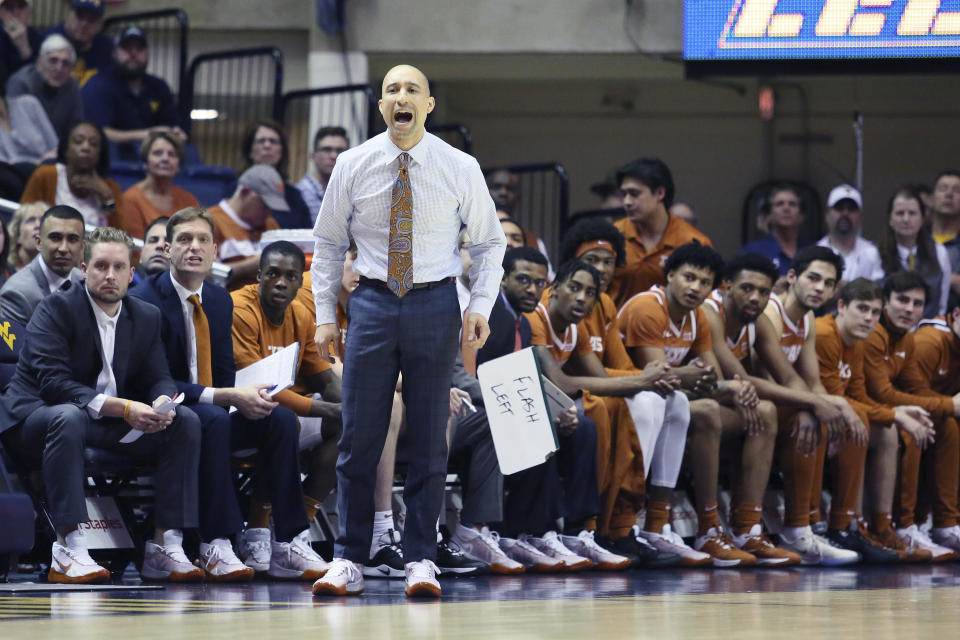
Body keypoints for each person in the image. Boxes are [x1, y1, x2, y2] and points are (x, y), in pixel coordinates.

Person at [311, 64, 506, 598]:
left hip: (436, 301)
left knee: (426, 438)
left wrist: (480, 303)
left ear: (428, 104)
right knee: (358, 437)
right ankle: (348, 558)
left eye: (411, 90)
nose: (402, 97)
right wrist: (326, 313)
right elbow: (328, 244)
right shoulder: (353, 163)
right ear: (381, 107)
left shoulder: (459, 166)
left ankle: (421, 556)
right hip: (371, 300)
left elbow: (490, 244)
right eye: (392, 90)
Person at [129, 207, 327, 581]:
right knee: (217, 417)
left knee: (280, 419)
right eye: (184, 240)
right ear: (168, 249)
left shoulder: (220, 300)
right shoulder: (146, 300)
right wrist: (226, 397)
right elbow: (155, 382)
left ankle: (287, 541)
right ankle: (214, 542)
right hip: (164, 412)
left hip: (213, 405)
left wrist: (245, 397)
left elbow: (223, 374)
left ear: (215, 251)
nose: (194, 247)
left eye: (203, 240)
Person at [0, 226, 203, 584]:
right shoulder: (55, 309)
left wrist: (161, 404)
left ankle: (163, 546)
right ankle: (69, 548)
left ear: (131, 271)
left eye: (119, 267)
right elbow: (55, 385)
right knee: (69, 416)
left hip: (99, 423)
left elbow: (159, 375)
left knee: (184, 420)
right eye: (100, 266)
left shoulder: (145, 316)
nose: (110, 275)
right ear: (84, 269)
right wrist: (124, 408)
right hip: (34, 421)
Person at [456, 247, 626, 573]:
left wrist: (552, 406)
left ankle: (571, 531)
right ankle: (520, 531)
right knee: (536, 422)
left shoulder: (517, 322)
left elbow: (523, 379)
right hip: (468, 409)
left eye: (538, 282)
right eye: (523, 280)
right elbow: (468, 376)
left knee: (579, 424)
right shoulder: (485, 314)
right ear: (502, 279)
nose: (532, 289)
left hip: (495, 405)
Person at [621, 242, 791, 567]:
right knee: (706, 411)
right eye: (689, 278)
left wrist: (729, 388)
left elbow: (709, 377)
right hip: (631, 400)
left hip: (666, 402)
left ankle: (746, 528)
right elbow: (659, 378)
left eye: (703, 283)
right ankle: (705, 528)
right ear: (670, 275)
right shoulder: (647, 307)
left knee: (765, 412)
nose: (695, 287)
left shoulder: (696, 316)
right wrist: (715, 384)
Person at [528, 259, 688, 567]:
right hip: (527, 405)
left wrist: (648, 381)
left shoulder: (576, 328)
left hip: (554, 404)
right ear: (554, 288)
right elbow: (560, 382)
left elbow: (600, 379)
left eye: (590, 293)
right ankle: (587, 525)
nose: (582, 298)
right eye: (574, 288)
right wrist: (641, 380)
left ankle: (609, 523)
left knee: (613, 404)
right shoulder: (537, 318)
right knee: (597, 409)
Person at [753, 245, 863, 565]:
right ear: (792, 276)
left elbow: (812, 380)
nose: (820, 288)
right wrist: (811, 407)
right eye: (813, 278)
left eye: (828, 283)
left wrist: (826, 407)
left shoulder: (808, 319)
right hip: (753, 398)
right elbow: (763, 377)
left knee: (825, 417)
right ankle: (797, 529)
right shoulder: (770, 313)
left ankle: (810, 524)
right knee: (808, 418)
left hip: (781, 397)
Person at [230, 240, 343, 542]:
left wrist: (349, 406)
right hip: (236, 413)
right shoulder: (240, 309)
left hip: (280, 414)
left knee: (347, 424)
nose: (280, 283)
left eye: (290, 277)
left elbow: (324, 378)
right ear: (258, 276)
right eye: (272, 274)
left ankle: (299, 530)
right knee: (281, 421)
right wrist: (330, 409)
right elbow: (259, 386)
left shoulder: (301, 316)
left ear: (299, 282)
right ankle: (256, 531)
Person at [814, 278, 929, 563]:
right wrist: (895, 413)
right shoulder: (825, 334)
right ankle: (841, 525)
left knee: (886, 431)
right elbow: (833, 397)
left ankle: (879, 526)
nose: (868, 318)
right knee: (862, 422)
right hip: (809, 413)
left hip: (834, 414)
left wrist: (897, 415)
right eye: (862, 308)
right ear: (841, 306)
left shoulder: (857, 342)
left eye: (875, 312)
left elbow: (857, 396)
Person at [861, 271, 960, 558]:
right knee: (913, 426)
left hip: (880, 410)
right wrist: (949, 406)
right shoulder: (893, 336)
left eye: (917, 304)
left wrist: (945, 409)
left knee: (945, 425)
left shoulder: (903, 338)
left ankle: (945, 523)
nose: (909, 309)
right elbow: (884, 395)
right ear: (885, 302)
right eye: (902, 301)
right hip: (863, 410)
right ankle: (904, 525)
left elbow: (917, 388)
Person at [608, 157, 712, 308]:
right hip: (615, 328)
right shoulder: (612, 236)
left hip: (671, 330)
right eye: (624, 194)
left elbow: (710, 300)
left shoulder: (693, 242)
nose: (627, 202)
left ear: (660, 193)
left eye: (634, 194)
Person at [81, 26, 183, 158]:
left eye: (139, 48)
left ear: (147, 53)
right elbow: (95, 132)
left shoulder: (159, 86)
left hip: (153, 159)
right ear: (115, 52)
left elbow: (171, 126)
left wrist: (176, 134)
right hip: (107, 161)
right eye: (126, 48)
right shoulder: (98, 85)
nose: (133, 54)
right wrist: (147, 134)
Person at [20, 121, 123, 228]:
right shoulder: (46, 176)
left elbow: (121, 237)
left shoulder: (110, 188)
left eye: (93, 144)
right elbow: (23, 221)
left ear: (100, 153)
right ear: (66, 148)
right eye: (78, 142)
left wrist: (106, 196)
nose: (86, 147)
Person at [0, 204, 83, 325]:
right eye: (55, 238)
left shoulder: (85, 282)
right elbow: (16, 344)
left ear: (82, 247)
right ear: (39, 242)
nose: (64, 248)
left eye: (72, 239)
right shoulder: (17, 293)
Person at [877, 186, 951, 318]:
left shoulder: (940, 252)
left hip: (927, 331)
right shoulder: (873, 254)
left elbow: (942, 305)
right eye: (900, 213)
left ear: (922, 218)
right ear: (890, 219)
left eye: (912, 213)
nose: (906, 219)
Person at [208, 164, 284, 290]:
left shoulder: (271, 224)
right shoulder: (210, 222)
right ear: (244, 192)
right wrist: (251, 266)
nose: (269, 212)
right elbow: (203, 276)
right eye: (265, 204)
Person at [121, 130, 199, 242]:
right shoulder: (130, 199)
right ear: (145, 163)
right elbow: (135, 249)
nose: (165, 159)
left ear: (178, 165)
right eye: (158, 153)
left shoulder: (189, 200)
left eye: (172, 154)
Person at [5, 33, 82, 140]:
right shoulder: (21, 82)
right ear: (39, 63)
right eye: (53, 61)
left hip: (58, 150)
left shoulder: (72, 85)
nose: (59, 68)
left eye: (66, 63)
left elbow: (76, 126)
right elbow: (17, 129)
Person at [240, 119, 311, 229]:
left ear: (281, 152)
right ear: (250, 151)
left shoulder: (294, 196)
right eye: (261, 141)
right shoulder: (236, 190)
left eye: (273, 141)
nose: (267, 145)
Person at [740, 184, 810, 282]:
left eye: (792, 204)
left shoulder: (810, 251)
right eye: (779, 204)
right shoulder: (753, 251)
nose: (786, 208)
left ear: (801, 215)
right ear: (769, 214)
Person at [816, 185, 883, 285]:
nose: (845, 213)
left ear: (860, 217)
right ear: (827, 215)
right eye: (839, 208)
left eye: (851, 209)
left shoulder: (872, 253)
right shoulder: (816, 252)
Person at [45, 0, 112, 88]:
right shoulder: (47, 41)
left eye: (91, 20)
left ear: (100, 25)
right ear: (68, 16)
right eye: (80, 17)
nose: (84, 24)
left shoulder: (107, 47)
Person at [296, 125, 349, 225]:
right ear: (313, 156)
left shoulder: (351, 194)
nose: (334, 156)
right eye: (327, 150)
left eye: (340, 151)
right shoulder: (299, 194)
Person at [0, 0, 42, 87]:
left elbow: (37, 80)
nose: (16, 13)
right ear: (1, 13)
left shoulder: (37, 38)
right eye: (9, 8)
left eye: (21, 7)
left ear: (30, 12)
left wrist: (24, 47)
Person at [5, 200, 43, 273]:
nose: (38, 225)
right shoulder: (3, 271)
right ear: (17, 235)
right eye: (31, 220)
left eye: (42, 221)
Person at [133, 216, 169, 283]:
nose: (160, 246)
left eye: (168, 242)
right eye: (153, 241)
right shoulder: (123, 290)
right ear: (141, 254)